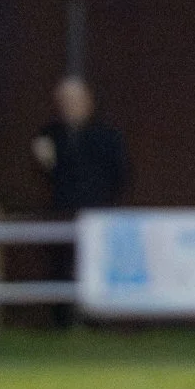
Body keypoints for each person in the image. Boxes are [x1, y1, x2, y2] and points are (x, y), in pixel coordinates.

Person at [31, 76, 130, 325]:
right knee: (61, 268)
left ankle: (99, 323)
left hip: (97, 213)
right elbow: (45, 173)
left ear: (88, 102)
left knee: (97, 268)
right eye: (64, 101)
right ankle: (61, 323)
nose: (70, 106)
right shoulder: (49, 135)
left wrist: (103, 200)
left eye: (75, 100)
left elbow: (120, 173)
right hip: (62, 212)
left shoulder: (106, 135)